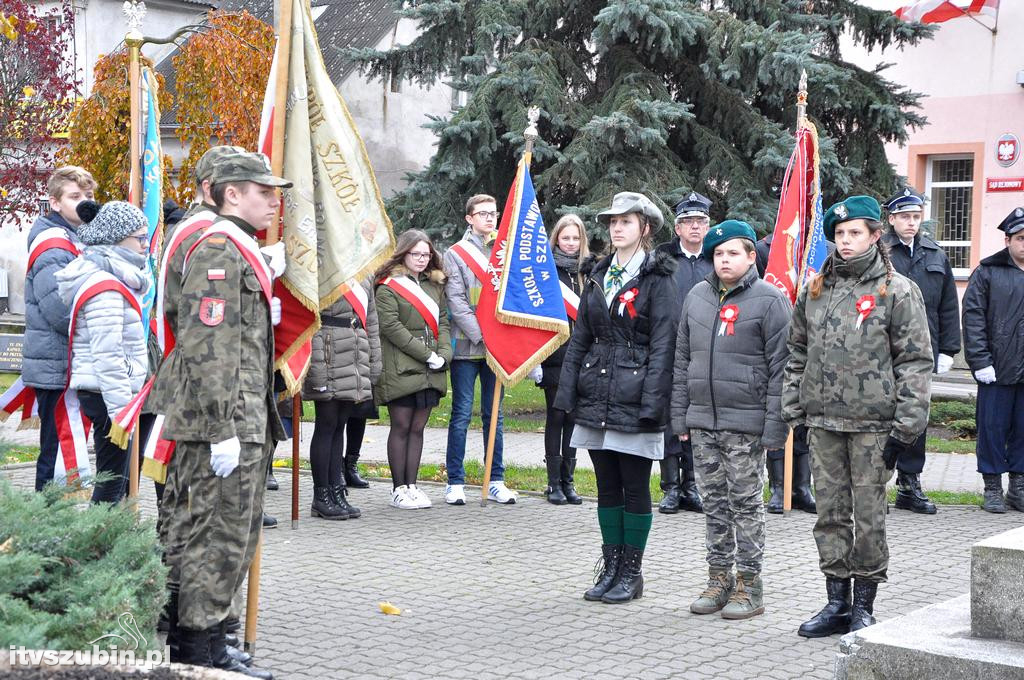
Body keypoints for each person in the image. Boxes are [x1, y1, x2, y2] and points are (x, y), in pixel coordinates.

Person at [150, 151, 288, 678]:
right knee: (215, 538)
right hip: (223, 422)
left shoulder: (240, 247)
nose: (274, 200)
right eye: (263, 191)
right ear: (231, 193)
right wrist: (220, 430)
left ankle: (213, 643)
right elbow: (209, 348)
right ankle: (200, 654)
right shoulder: (218, 249)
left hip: (242, 416)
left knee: (231, 535)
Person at [784, 195, 932, 638]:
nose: (845, 242)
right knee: (829, 515)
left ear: (874, 236)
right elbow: (796, 351)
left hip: (874, 428)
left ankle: (865, 605)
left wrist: (907, 425)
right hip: (824, 424)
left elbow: (915, 361)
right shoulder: (815, 290)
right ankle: (836, 603)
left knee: (869, 517)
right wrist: (795, 408)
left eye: (855, 234)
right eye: (840, 235)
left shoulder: (897, 290)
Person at [554, 191, 679, 604]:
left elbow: (664, 344)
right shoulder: (598, 273)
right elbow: (582, 338)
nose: (616, 227)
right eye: (612, 221)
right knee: (606, 486)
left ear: (646, 227)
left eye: (626, 221)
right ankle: (610, 567)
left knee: (634, 484)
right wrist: (567, 393)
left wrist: (653, 404)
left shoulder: (659, 277)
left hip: (636, 392)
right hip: (596, 392)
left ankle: (632, 572)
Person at [672, 220, 791, 620]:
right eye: (718, 254)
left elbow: (782, 369)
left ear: (751, 257)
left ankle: (749, 584)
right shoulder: (697, 297)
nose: (724, 260)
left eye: (733, 253)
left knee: (745, 504)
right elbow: (682, 360)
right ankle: (718, 578)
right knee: (714, 504)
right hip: (703, 420)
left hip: (745, 423)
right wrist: (680, 415)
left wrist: (776, 426)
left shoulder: (770, 300)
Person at [54, 201, 149, 503]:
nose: (146, 245)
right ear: (117, 237)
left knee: (116, 480)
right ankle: (99, 547)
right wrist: (122, 413)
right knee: (111, 484)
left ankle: (106, 542)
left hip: (109, 391)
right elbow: (107, 355)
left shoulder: (115, 275)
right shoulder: (106, 286)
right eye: (140, 238)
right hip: (108, 394)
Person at [881, 187, 960, 515]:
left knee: (916, 415)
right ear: (892, 219)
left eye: (916, 217)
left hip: (922, 348)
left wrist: (949, 349)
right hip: (883, 348)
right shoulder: (881, 250)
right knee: (882, 412)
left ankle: (909, 482)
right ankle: (876, 482)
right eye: (904, 217)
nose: (911, 223)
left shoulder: (934, 253)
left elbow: (947, 305)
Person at [23, 166, 96, 491]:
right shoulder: (53, 247)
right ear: (54, 203)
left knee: (61, 451)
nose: (84, 202)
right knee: (55, 453)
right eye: (75, 196)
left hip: (66, 360)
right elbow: (59, 309)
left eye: (89, 196)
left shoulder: (77, 238)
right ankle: (46, 523)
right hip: (58, 362)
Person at [442, 194, 515, 505]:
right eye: (482, 213)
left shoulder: (504, 250)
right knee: (461, 414)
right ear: (469, 218)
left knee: (494, 416)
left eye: (493, 213)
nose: (489, 218)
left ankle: (495, 479)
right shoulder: (455, 254)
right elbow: (457, 303)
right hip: (466, 348)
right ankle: (455, 481)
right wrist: (484, 337)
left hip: (495, 350)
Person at [375, 230, 451, 509]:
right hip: (401, 367)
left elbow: (443, 322)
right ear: (403, 254)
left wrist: (444, 353)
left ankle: (412, 485)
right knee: (402, 426)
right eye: (415, 254)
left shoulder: (434, 285)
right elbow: (391, 327)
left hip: (431, 369)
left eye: (426, 254)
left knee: (418, 428)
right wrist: (427, 354)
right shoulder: (388, 286)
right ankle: (398, 488)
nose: (421, 259)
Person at [962, 207, 1024, 514]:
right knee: (992, 429)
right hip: (997, 369)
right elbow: (973, 319)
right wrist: (980, 361)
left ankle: (1018, 486)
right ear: (1008, 239)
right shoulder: (987, 272)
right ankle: (992, 487)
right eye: (1022, 238)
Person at [302, 277, 380, 519]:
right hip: (327, 353)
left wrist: (374, 361)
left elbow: (372, 321)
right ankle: (321, 495)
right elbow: (310, 320)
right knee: (326, 425)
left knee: (340, 426)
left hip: (355, 352)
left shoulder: (365, 273)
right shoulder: (325, 271)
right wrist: (316, 369)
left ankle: (337, 492)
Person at [654, 191, 712, 514]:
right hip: (669, 349)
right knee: (670, 418)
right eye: (687, 221)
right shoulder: (663, 258)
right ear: (677, 229)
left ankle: (692, 485)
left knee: (697, 418)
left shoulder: (715, 259)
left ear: (707, 226)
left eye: (700, 221)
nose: (694, 227)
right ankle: (671, 487)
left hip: (705, 351)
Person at [755, 230, 817, 515]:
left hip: (812, 344)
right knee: (780, 413)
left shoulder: (822, 247)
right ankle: (779, 487)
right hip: (777, 340)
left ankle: (802, 487)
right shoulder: (767, 248)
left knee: (804, 418)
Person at [531, 213, 589, 505]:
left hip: (582, 356)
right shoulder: (545, 272)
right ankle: (553, 482)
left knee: (574, 418)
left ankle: (569, 481)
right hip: (554, 354)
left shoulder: (588, 272)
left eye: (575, 238)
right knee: (556, 416)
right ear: (556, 239)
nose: (570, 243)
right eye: (565, 237)